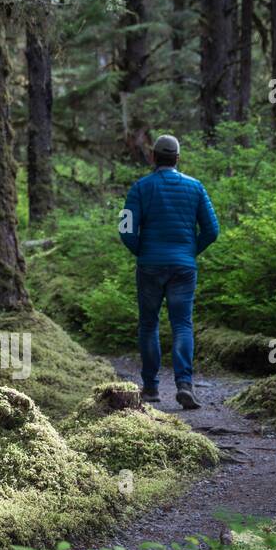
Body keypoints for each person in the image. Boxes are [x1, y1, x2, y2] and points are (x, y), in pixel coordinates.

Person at [118, 134, 219, 409]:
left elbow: (126, 229)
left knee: (149, 324)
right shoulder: (195, 187)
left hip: (150, 266)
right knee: (182, 324)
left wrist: (142, 251)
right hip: (183, 268)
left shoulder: (140, 188)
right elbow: (212, 230)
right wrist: (189, 252)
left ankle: (150, 389)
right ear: (177, 158)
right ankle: (184, 384)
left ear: (153, 157)